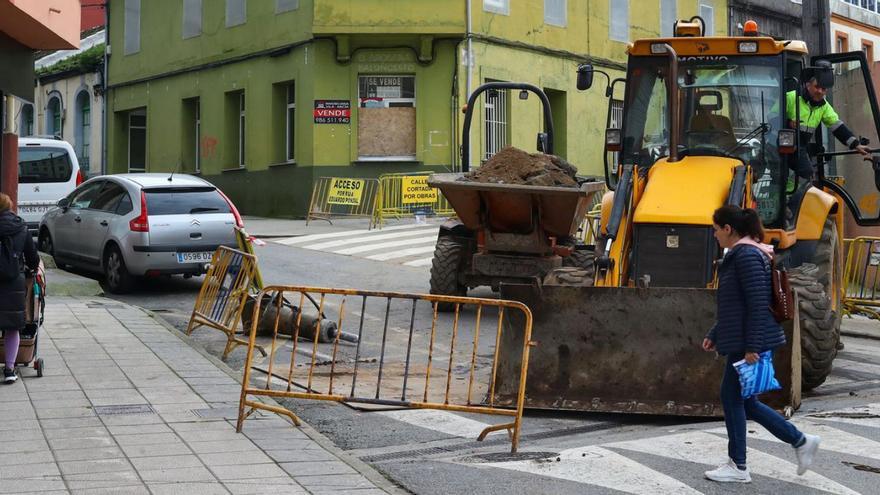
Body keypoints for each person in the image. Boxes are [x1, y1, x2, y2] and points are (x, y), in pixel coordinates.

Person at [701, 205, 820, 483]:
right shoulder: (742, 255)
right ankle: (801, 442)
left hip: (749, 342)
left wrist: (753, 346)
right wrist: (716, 333)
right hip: (743, 339)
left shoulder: (747, 256)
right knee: (746, 402)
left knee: (733, 399)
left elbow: (756, 304)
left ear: (728, 229)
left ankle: (739, 466)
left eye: (716, 229)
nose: (715, 234)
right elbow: (736, 305)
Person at [785, 60, 871, 180]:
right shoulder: (790, 97)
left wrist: (856, 145)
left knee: (806, 174)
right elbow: (772, 118)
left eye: (823, 89)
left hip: (800, 147)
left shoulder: (824, 107)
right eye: (817, 87)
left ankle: (792, 195)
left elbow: (837, 126)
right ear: (808, 85)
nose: (820, 91)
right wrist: (788, 123)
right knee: (797, 173)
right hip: (781, 145)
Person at [0, 193, 40, 384]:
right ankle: (9, 369)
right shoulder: (20, 227)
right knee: (12, 327)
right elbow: (32, 256)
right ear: (9, 208)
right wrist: (32, 269)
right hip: (14, 281)